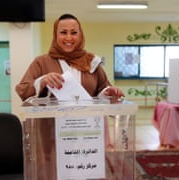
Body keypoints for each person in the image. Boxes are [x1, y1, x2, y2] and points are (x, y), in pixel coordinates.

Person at [16, 13, 124, 179]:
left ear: (80, 35)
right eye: (63, 32)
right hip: (53, 133)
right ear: (55, 35)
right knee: (56, 169)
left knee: (86, 170)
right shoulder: (42, 62)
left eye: (74, 32)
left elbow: (102, 88)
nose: (69, 37)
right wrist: (42, 81)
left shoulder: (91, 63)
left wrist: (108, 92)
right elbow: (23, 90)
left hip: (87, 131)